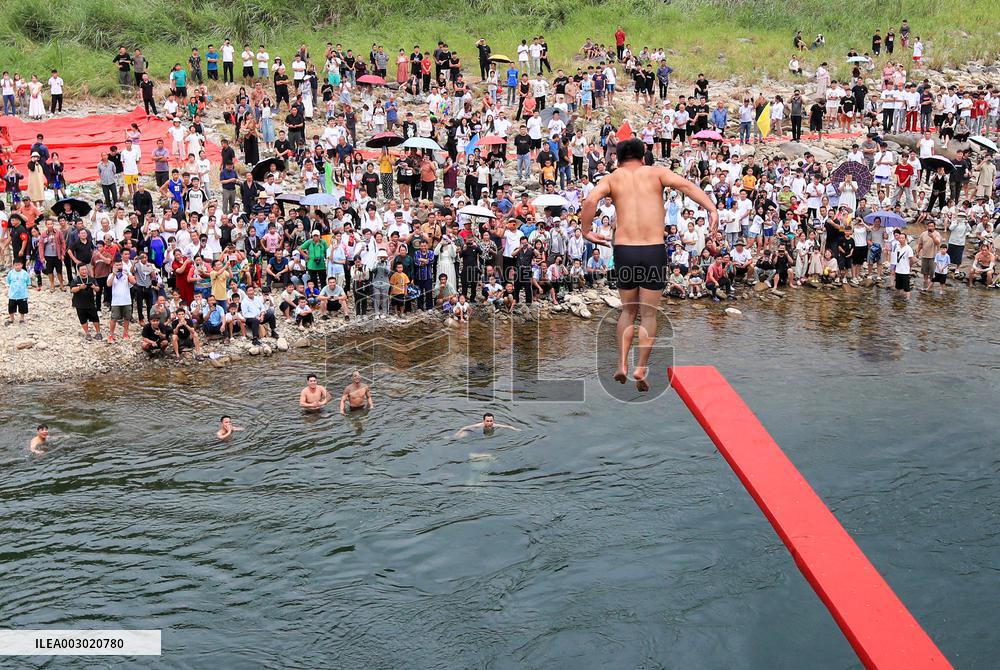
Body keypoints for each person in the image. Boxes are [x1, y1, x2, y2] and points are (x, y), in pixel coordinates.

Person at [579, 138, 717, 391]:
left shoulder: (612, 178)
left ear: (617, 158)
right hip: (653, 249)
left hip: (624, 251)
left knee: (628, 311)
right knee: (649, 314)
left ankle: (621, 363)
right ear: (643, 156)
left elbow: (590, 202)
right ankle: (640, 367)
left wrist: (586, 230)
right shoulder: (656, 173)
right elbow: (687, 186)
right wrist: (712, 210)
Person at [5, 258, 30, 324]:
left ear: (22, 265)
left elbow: (28, 282)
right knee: (11, 307)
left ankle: (22, 318)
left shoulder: (25, 273)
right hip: (13, 295)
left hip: (22, 295)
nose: (17, 267)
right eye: (16, 265)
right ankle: (11, 318)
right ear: (13, 265)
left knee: (23, 308)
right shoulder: (11, 273)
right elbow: (8, 281)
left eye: (19, 265)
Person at [454, 412, 521, 437]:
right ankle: (451, 438)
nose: (489, 423)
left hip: (483, 434)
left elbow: (507, 426)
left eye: (491, 421)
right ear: (484, 421)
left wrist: (515, 429)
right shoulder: (479, 425)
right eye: (487, 421)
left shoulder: (494, 425)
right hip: (475, 432)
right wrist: (456, 434)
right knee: (463, 435)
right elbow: (464, 428)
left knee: (489, 435)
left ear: (493, 420)